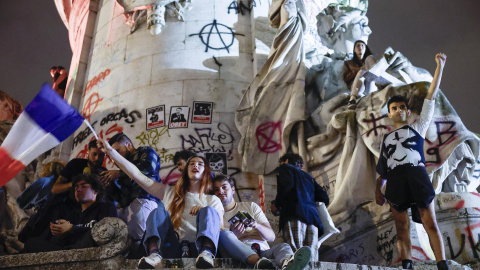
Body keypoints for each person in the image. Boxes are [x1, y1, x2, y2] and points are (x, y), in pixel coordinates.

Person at [96, 140, 224, 269]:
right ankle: (154, 254)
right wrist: (111, 151)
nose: (195, 165)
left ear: (206, 171)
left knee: (209, 210)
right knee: (158, 212)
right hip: (172, 246)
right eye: (191, 163)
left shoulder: (213, 200)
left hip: (199, 249)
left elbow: (220, 229)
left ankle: (207, 253)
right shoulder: (169, 192)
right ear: (186, 170)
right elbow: (137, 175)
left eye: (200, 164)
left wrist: (203, 210)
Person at [375, 53, 448, 270]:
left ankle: (442, 264)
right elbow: (383, 168)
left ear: (407, 112)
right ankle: (406, 263)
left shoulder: (418, 127)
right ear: (389, 114)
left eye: (401, 108)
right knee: (401, 225)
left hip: (417, 174)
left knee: (430, 223)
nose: (398, 110)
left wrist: (440, 67)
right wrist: (378, 189)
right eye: (394, 108)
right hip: (396, 178)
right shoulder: (386, 139)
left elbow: (431, 96)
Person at [213, 174, 311, 269]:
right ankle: (259, 262)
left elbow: (271, 237)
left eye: (224, 187)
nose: (220, 191)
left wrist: (256, 225)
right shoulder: (214, 216)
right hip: (239, 255)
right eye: (216, 189)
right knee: (225, 234)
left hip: (263, 252)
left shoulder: (251, 206)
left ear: (233, 189)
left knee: (283, 247)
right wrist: (235, 235)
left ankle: (287, 264)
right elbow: (218, 248)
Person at [22, 174, 118, 253]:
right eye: (76, 187)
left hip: (89, 251)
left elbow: (107, 232)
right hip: (67, 251)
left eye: (83, 186)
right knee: (32, 243)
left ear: (96, 191)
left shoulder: (106, 207)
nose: (78, 189)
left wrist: (72, 228)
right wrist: (59, 231)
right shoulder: (73, 214)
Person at [101, 133, 161, 244]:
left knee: (140, 239)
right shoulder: (122, 168)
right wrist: (108, 186)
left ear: (128, 145)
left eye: (118, 152)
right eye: (112, 155)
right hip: (126, 207)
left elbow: (147, 168)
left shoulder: (145, 151)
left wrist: (120, 173)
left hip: (145, 200)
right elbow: (119, 196)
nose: (115, 159)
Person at [271, 153, 329, 261]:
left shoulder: (285, 168)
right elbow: (324, 198)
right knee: (310, 257)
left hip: (294, 214)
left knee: (295, 252)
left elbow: (286, 187)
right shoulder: (309, 178)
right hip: (313, 220)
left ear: (286, 160)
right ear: (301, 166)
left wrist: (277, 205)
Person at [342, 40, 376, 106]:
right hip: (356, 87)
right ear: (354, 50)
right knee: (362, 71)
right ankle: (353, 98)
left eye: (362, 45)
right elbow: (346, 78)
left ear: (365, 48)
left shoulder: (369, 60)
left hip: (370, 84)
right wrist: (359, 69)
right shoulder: (348, 63)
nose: (360, 47)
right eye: (358, 46)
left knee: (370, 58)